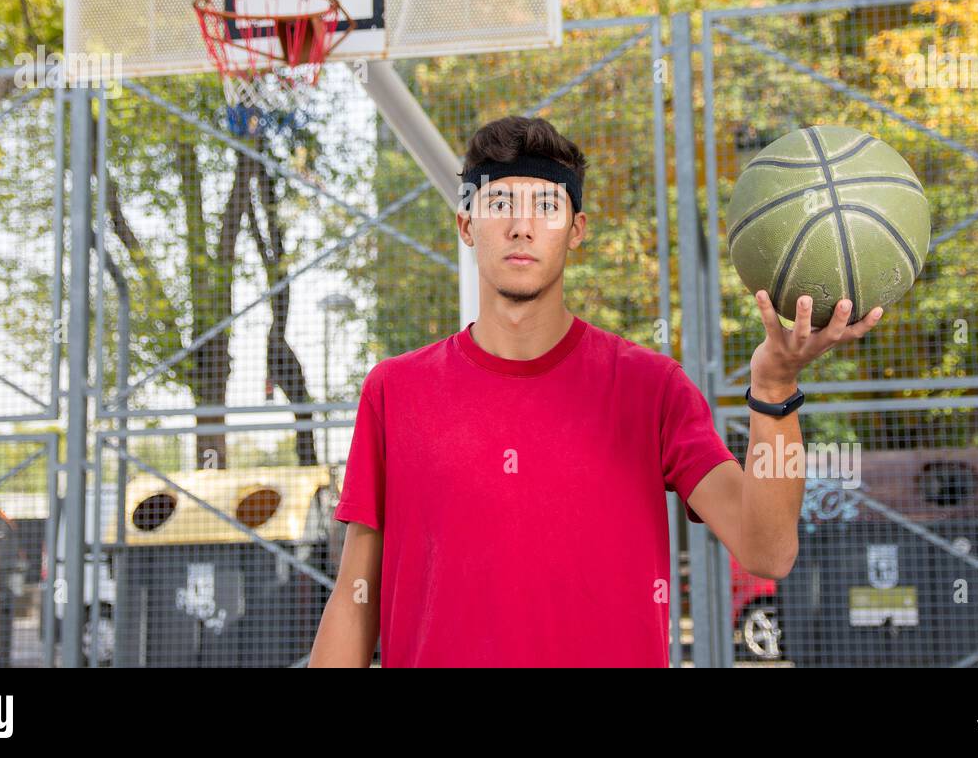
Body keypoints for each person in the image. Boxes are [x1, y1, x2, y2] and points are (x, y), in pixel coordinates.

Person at [308, 116, 882, 667]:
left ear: (576, 230)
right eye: (499, 205)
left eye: (547, 207)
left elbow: (768, 550)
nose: (521, 226)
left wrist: (776, 390)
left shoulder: (650, 388)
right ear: (466, 225)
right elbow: (355, 597)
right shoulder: (396, 391)